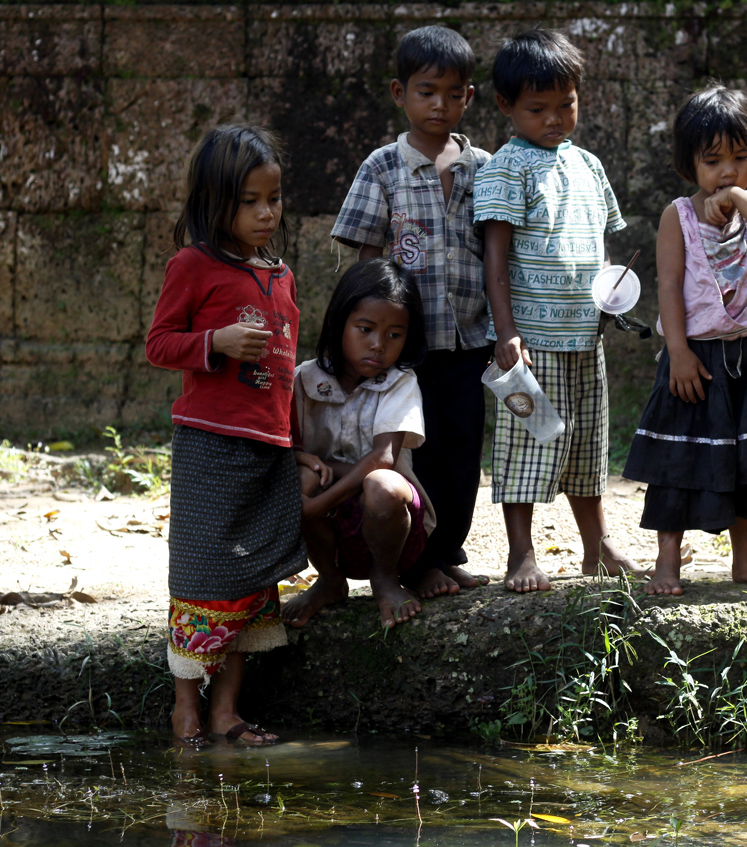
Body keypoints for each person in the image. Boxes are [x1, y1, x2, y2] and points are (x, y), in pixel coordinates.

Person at [146, 124, 306, 747]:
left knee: (249, 579)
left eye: (274, 198)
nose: (267, 213)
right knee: (200, 575)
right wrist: (214, 343)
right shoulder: (192, 265)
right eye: (249, 201)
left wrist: (298, 445)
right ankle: (186, 708)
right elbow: (160, 345)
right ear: (215, 202)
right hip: (210, 447)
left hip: (268, 447)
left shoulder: (280, 275)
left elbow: (287, 372)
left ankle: (227, 713)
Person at [622, 85, 747, 596]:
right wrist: (679, 352)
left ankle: (745, 559)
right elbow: (667, 285)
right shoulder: (677, 217)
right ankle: (668, 562)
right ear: (690, 164)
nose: (728, 171)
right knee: (679, 462)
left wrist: (741, 199)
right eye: (714, 162)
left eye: (740, 157)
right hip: (698, 357)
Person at [329, 25, 491, 600]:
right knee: (406, 452)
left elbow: (497, 255)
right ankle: (415, 561)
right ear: (400, 93)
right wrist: (368, 338)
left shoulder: (486, 169)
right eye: (426, 91)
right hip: (405, 346)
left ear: (468, 98)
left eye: (452, 93)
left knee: (461, 450)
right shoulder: (382, 168)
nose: (439, 104)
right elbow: (370, 263)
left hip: (471, 340)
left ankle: (446, 552)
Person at [475, 28, 640, 593]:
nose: (554, 119)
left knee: (588, 446)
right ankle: (521, 553)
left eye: (565, 104)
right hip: (532, 340)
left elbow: (600, 245)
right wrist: (506, 332)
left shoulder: (590, 166)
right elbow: (495, 257)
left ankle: (598, 546)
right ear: (506, 106)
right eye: (537, 108)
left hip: (584, 334)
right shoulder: (504, 167)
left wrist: (611, 298)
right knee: (528, 442)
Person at [285, 258, 437, 630]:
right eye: (365, 329)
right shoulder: (306, 379)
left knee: (381, 485)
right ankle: (330, 580)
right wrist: (307, 464)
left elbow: (384, 459)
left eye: (394, 335)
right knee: (299, 477)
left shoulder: (400, 382)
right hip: (331, 530)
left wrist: (318, 501)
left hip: (394, 530)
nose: (378, 345)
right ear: (340, 323)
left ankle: (385, 579)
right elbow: (289, 449)